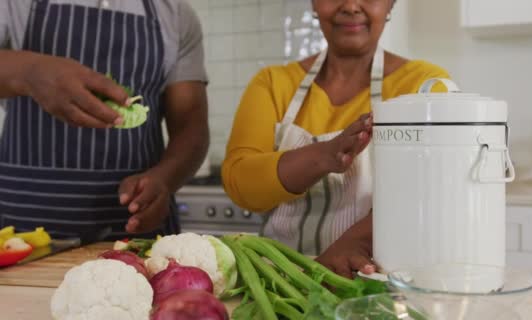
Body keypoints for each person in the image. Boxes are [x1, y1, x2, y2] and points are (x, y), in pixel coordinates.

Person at [222, 0, 449, 277]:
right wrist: (325, 156)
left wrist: (354, 243)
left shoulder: (426, 85)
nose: (352, 6)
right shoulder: (273, 83)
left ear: (390, 4)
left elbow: (433, 188)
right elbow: (241, 183)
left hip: (382, 280)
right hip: (283, 281)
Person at [0, 0, 209, 240]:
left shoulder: (175, 14)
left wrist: (165, 179)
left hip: (135, 229)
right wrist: (29, 72)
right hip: (24, 227)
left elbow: (192, 126)